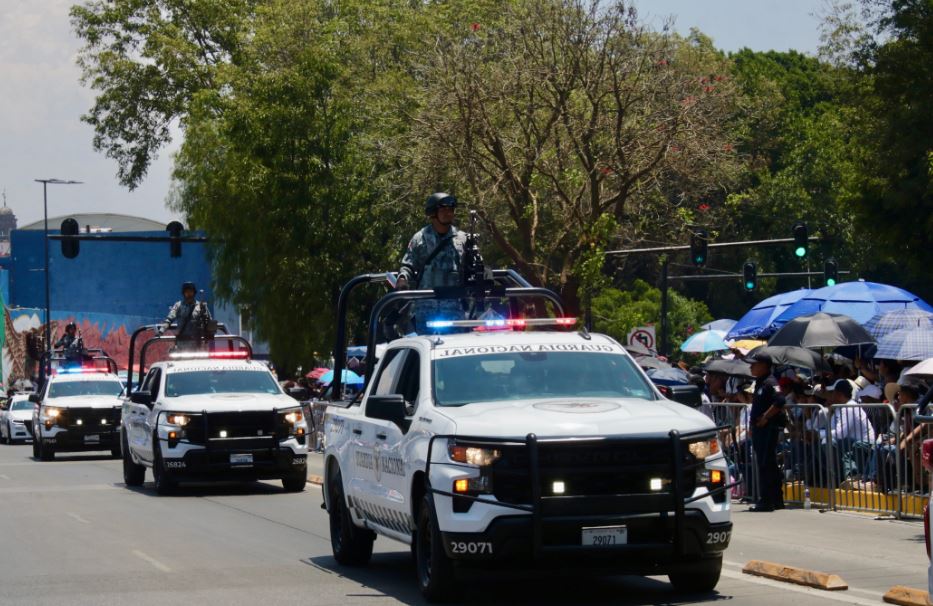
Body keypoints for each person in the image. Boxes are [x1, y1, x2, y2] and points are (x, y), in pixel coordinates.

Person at [396, 192, 470, 333]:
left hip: (454, 312)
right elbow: (408, 265)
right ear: (432, 213)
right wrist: (402, 278)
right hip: (425, 311)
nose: (448, 213)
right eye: (443, 210)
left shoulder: (462, 239)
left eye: (451, 210)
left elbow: (471, 269)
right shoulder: (420, 239)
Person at [747, 351, 786, 512]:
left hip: (767, 429)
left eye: (754, 364)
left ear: (763, 366)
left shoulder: (770, 382)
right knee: (767, 464)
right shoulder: (760, 382)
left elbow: (780, 401)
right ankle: (775, 499)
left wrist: (765, 417)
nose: (751, 367)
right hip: (759, 430)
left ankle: (767, 500)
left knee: (766, 464)